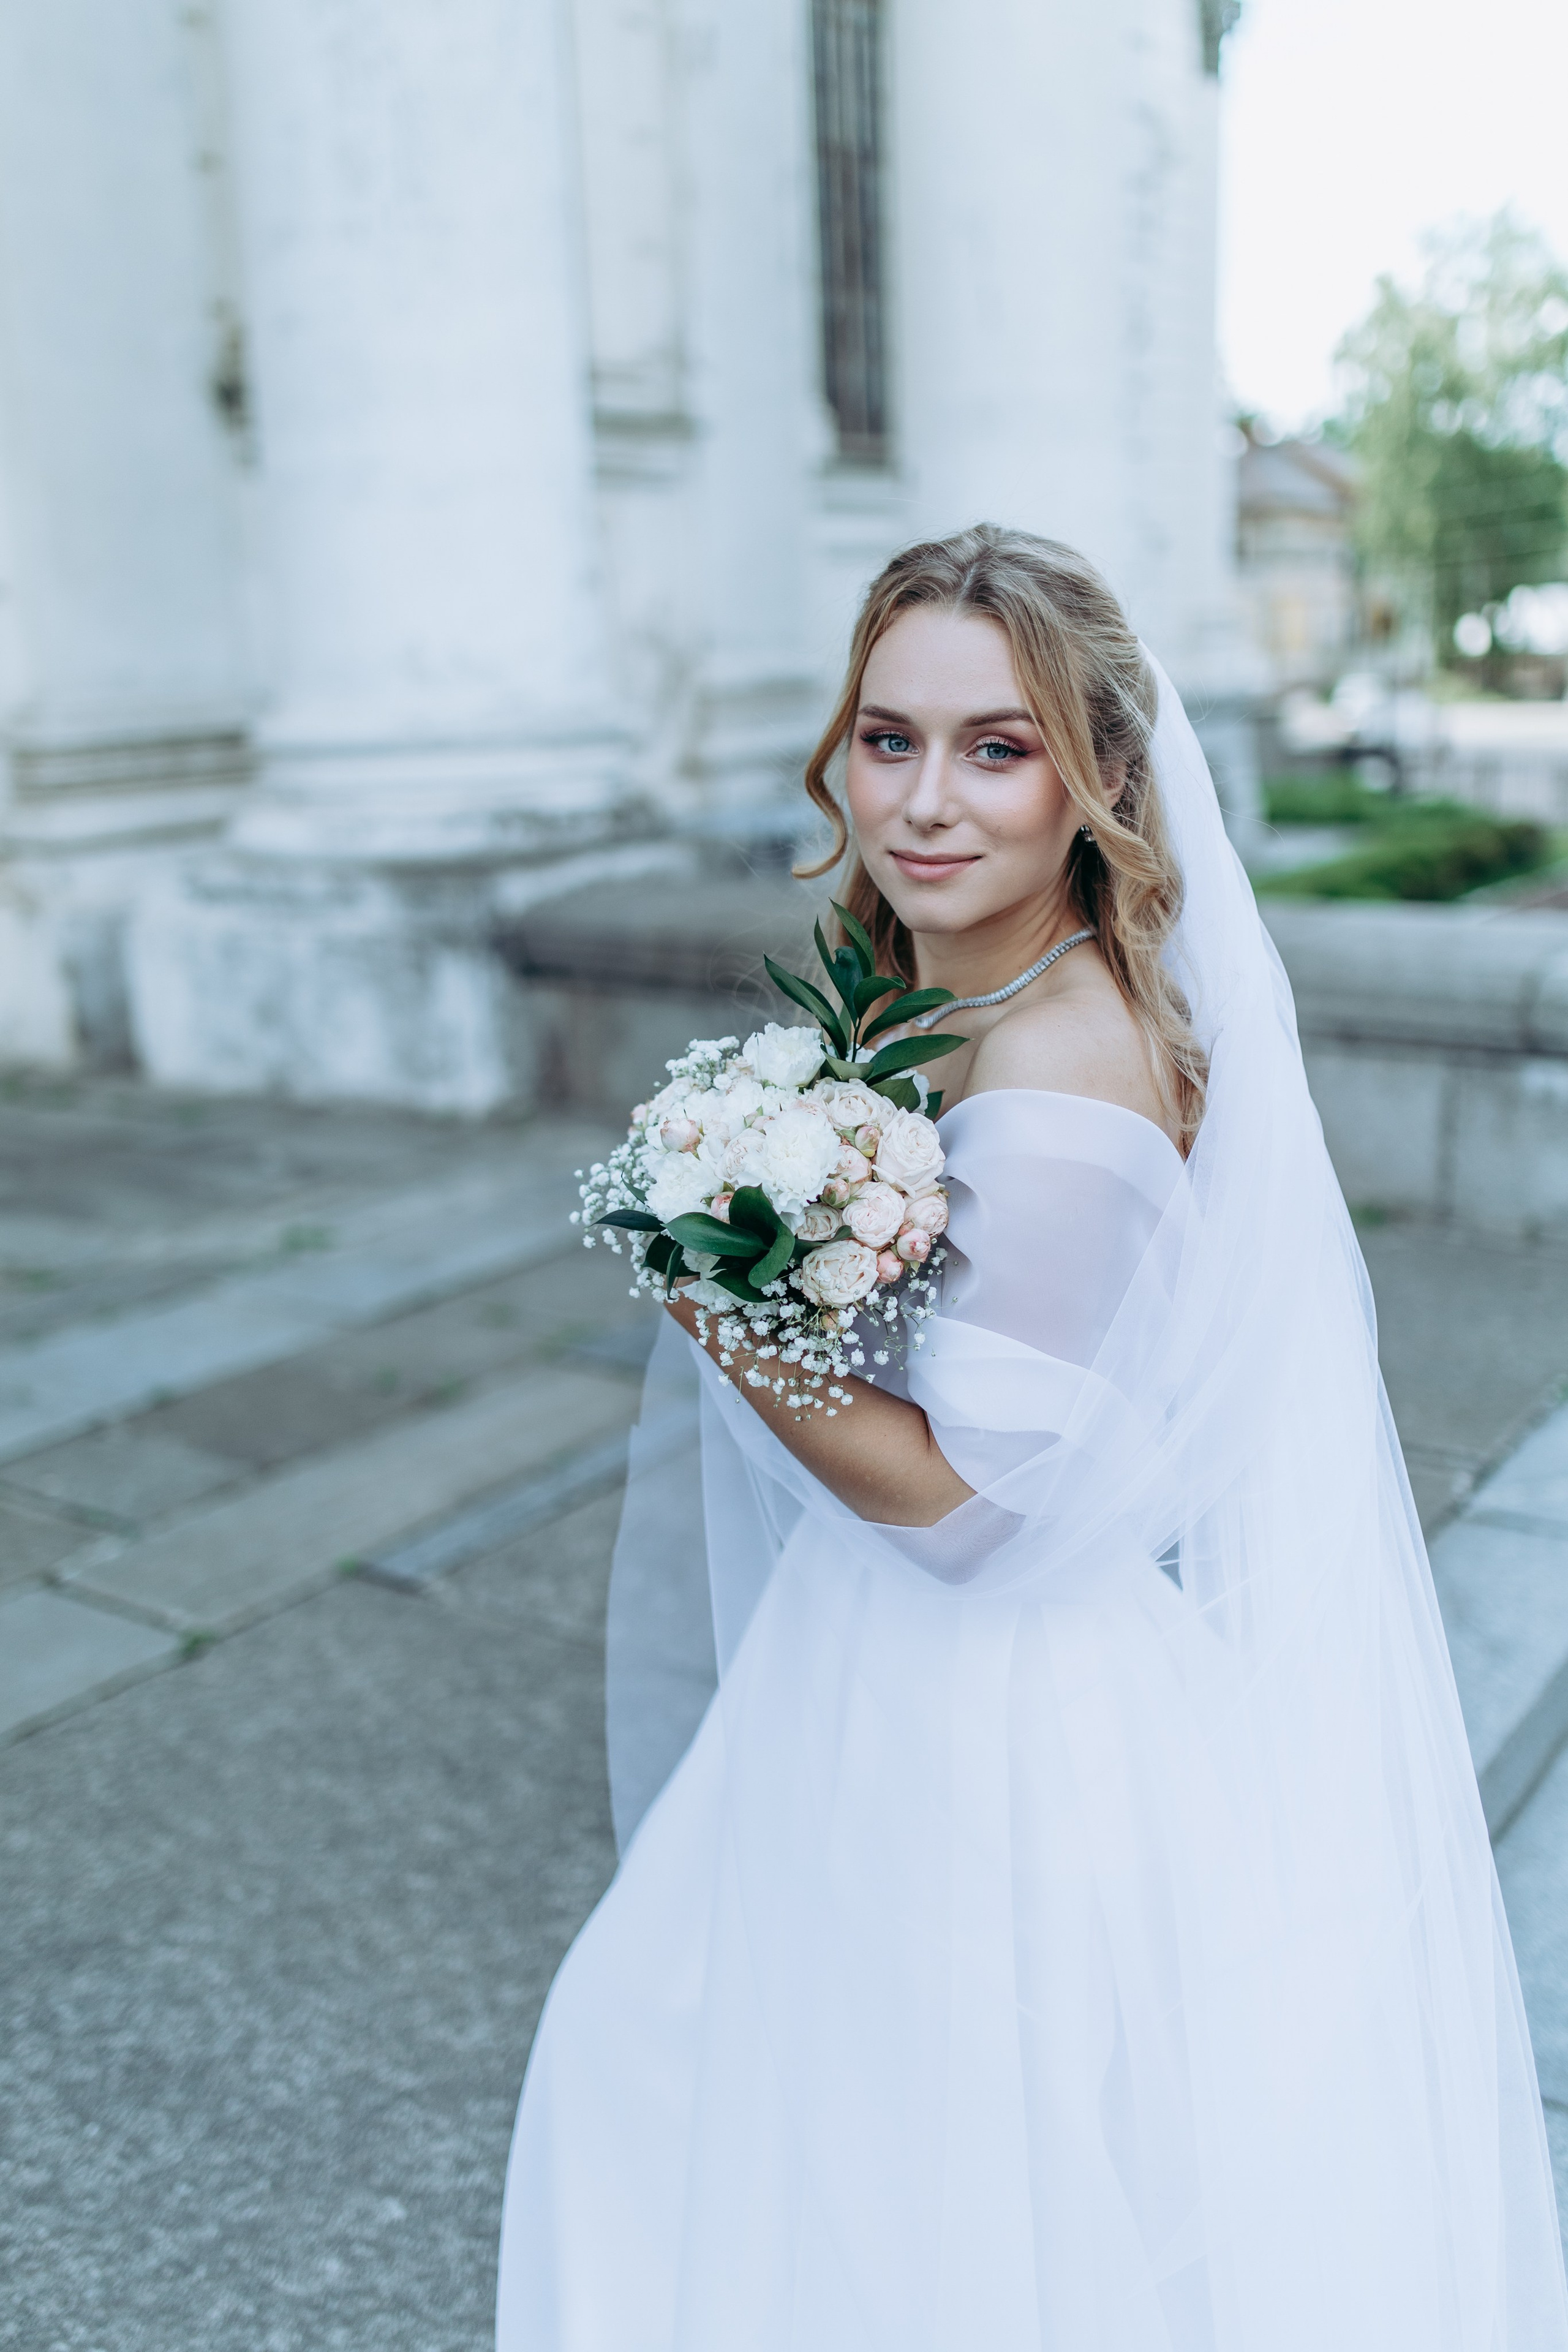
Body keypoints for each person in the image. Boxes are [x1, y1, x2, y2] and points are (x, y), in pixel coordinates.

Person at [496, 527, 1568, 2349]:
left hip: (981, 1715)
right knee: (736, 2095)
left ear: (1103, 780)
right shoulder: (962, 995)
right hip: (890, 1676)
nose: (925, 801)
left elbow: (978, 1510)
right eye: (888, 736)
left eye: (998, 748)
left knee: (898, 2177)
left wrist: (724, 1302)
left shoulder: (1062, 1069)